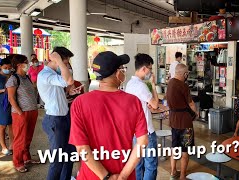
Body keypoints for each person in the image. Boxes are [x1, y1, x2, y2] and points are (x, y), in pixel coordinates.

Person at [69, 51, 149, 180]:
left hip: (91, 176)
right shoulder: (133, 101)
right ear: (118, 73)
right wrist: (122, 176)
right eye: (123, 69)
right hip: (125, 173)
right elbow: (143, 142)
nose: (124, 72)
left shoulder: (80, 102)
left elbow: (81, 148)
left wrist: (105, 177)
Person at [37, 47, 75, 180]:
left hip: (64, 117)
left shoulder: (54, 75)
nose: (67, 65)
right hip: (55, 120)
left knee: (70, 154)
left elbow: (63, 88)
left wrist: (68, 95)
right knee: (58, 158)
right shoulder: (45, 75)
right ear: (55, 59)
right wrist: (59, 60)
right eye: (65, 62)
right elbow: (68, 81)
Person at [125, 53, 159, 180]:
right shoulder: (141, 86)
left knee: (138, 164)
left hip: (134, 132)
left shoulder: (130, 84)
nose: (150, 72)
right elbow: (155, 105)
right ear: (144, 68)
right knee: (151, 165)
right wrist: (154, 86)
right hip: (147, 131)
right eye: (150, 69)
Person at [6, 54, 39, 173]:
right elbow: (11, 98)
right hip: (21, 113)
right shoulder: (13, 79)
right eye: (26, 62)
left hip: (32, 111)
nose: (28, 64)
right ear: (19, 65)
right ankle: (18, 162)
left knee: (28, 137)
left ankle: (26, 158)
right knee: (20, 138)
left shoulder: (27, 77)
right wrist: (19, 112)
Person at [167, 64, 198, 180]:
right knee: (185, 149)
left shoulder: (170, 83)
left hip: (173, 121)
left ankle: (172, 171)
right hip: (185, 123)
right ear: (185, 74)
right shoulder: (183, 86)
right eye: (187, 74)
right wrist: (196, 113)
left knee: (174, 147)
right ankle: (182, 175)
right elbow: (191, 103)